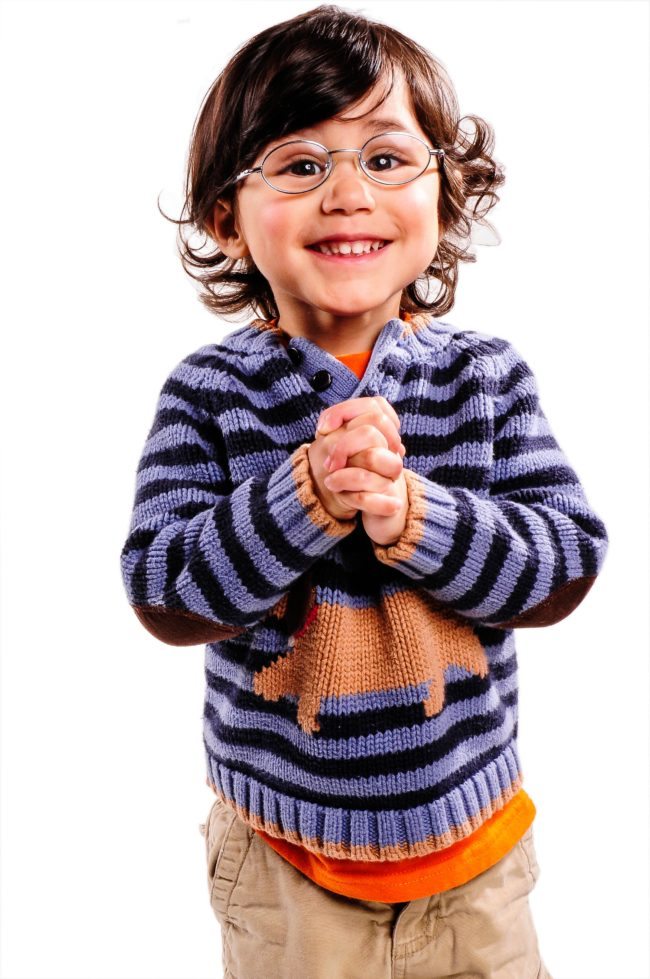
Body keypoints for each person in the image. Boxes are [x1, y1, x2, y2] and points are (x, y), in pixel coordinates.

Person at [119, 6, 608, 977]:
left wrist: (413, 515)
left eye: (385, 159)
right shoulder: (207, 394)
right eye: (300, 165)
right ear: (226, 215)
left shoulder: (486, 381)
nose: (346, 192)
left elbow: (563, 561)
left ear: (444, 194)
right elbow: (162, 589)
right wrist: (301, 496)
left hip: (475, 860)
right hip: (287, 868)